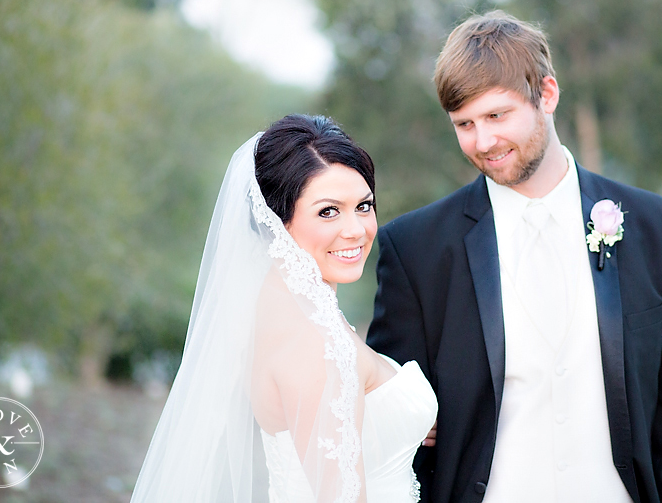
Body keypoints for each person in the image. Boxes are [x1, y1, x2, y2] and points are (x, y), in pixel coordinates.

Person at [367, 11, 662, 503]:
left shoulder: (655, 228)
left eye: (496, 116)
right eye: (464, 124)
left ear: (546, 95)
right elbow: (397, 438)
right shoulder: (416, 249)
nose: (482, 142)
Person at [131, 114, 437, 502]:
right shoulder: (312, 341)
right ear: (277, 221)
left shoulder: (285, 308)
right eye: (329, 211)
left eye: (364, 205)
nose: (356, 229)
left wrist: (404, 420)